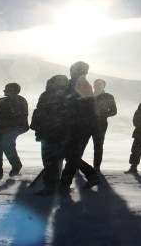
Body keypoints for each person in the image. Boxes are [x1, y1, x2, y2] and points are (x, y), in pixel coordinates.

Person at [59, 61, 101, 190]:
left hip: (77, 125)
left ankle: (89, 175)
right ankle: (66, 183)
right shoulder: (77, 84)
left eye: (74, 70)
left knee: (70, 155)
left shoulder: (80, 84)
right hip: (78, 125)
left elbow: (82, 106)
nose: (71, 72)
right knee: (71, 155)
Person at [30, 75, 72, 195]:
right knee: (57, 160)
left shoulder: (47, 95)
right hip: (60, 134)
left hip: (49, 133)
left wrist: (38, 126)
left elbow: (40, 112)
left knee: (49, 160)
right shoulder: (69, 96)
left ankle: (51, 187)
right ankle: (56, 184)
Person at [0, 83, 29, 181]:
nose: (4, 91)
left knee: (7, 147)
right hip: (0, 128)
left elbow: (21, 116)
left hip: (12, 129)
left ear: (13, 90)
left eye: (6, 89)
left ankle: (16, 166)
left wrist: (10, 128)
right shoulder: (6, 100)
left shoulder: (20, 101)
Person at [92, 79, 117, 172]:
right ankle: (76, 165)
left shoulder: (108, 96)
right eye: (96, 84)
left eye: (100, 84)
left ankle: (96, 167)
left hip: (100, 124)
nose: (97, 86)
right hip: (85, 123)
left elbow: (114, 111)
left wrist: (102, 114)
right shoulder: (88, 95)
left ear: (104, 86)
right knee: (80, 145)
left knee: (98, 146)